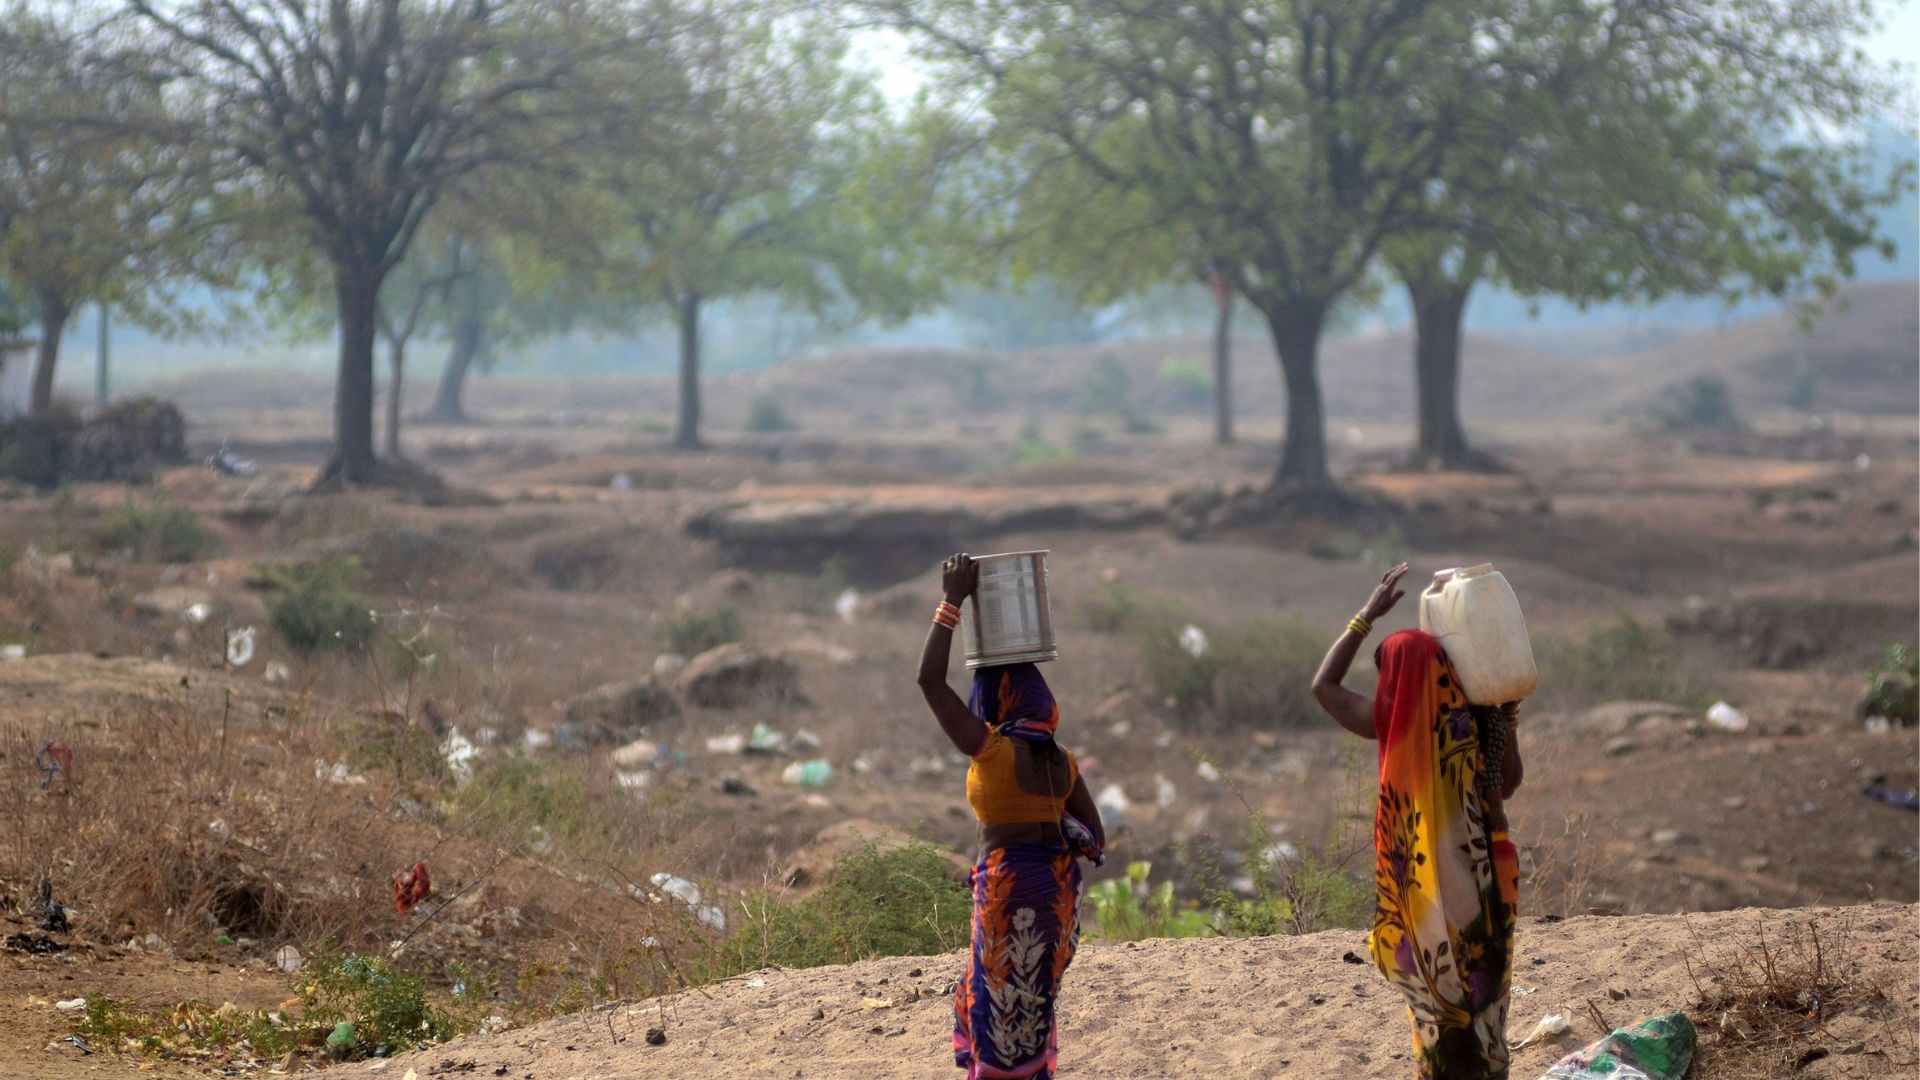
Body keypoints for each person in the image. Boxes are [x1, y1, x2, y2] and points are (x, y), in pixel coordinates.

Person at [1311, 563, 1524, 1080]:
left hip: (1420, 892)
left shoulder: (1389, 722)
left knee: (1437, 1002)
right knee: (1485, 991)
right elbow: (1510, 782)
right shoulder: (1476, 719)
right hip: (1480, 879)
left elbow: (1324, 685)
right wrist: (1506, 715)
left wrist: (1365, 618)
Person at [919, 552, 1104, 1080]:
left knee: (1000, 1015)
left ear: (996, 701)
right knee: (1026, 1009)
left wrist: (951, 600)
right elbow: (1094, 836)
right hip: (1053, 897)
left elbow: (930, 683)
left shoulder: (993, 750)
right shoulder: (1062, 761)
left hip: (1009, 892)